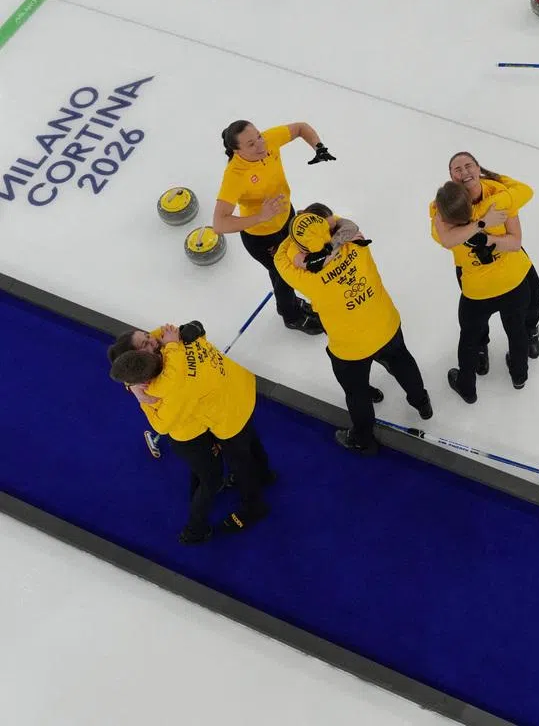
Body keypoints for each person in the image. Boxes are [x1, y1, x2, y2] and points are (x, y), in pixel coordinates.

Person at [274, 202, 433, 455]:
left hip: (350, 348)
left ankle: (363, 439)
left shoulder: (306, 278)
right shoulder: (356, 243)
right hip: (385, 324)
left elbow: (280, 256)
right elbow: (343, 223)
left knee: (356, 392)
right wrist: (322, 231)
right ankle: (421, 403)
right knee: (402, 361)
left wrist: (298, 235)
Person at [108, 322, 272, 542]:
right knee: (249, 440)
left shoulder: (166, 387)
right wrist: (134, 382)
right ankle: (265, 474)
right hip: (238, 386)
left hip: (229, 414)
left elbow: (162, 425)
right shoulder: (176, 342)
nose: (153, 339)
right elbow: (193, 327)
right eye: (146, 343)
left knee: (239, 461)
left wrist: (139, 395)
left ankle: (254, 506)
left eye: (148, 337)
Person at [212, 119, 336, 335]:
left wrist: (319, 146)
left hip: (286, 218)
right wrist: (261, 216)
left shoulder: (268, 141)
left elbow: (300, 128)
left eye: (258, 136)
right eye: (251, 144)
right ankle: (291, 316)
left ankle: (293, 305)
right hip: (262, 238)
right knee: (283, 276)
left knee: (292, 267)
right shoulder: (235, 176)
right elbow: (219, 223)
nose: (260, 145)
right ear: (236, 150)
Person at [430, 180, 534, 403]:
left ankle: (467, 387)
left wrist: (441, 208)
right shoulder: (495, 206)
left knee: (468, 339)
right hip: (512, 284)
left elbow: (444, 234)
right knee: (517, 330)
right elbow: (524, 192)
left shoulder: (445, 229)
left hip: (478, 293)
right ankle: (519, 375)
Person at [445, 151, 539, 372]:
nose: (464, 172)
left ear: (479, 168)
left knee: (535, 300)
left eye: (469, 166)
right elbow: (524, 191)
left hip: (512, 262)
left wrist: (488, 238)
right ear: (452, 178)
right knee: (476, 318)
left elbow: (516, 240)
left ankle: (530, 331)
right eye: (457, 169)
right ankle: (482, 348)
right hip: (473, 269)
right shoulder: (449, 206)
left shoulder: (498, 193)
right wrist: (483, 223)